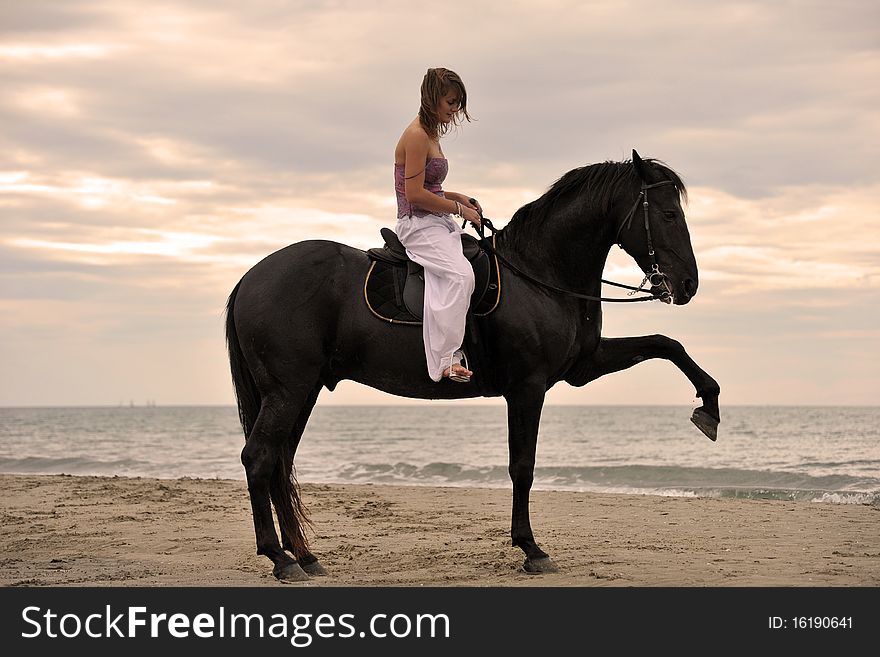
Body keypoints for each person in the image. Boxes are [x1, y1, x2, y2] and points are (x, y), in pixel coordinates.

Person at [394, 67, 483, 383]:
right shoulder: (417, 136)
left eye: (457, 102)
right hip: (417, 224)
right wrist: (458, 208)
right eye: (451, 102)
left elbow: (430, 188)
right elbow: (415, 195)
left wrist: (458, 197)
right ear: (432, 99)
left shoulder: (431, 134)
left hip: (435, 219)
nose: (455, 109)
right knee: (460, 276)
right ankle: (447, 360)